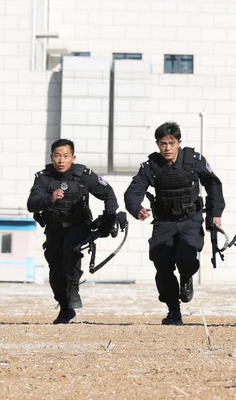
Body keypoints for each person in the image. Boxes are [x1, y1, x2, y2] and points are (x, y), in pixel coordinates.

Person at [124, 122, 225, 325]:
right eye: (163, 144)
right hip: (164, 220)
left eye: (171, 143)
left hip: (190, 218)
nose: (167, 148)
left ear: (179, 142)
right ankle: (173, 311)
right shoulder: (151, 166)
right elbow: (132, 192)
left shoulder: (193, 160)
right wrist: (137, 209)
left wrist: (215, 213)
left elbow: (213, 183)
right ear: (157, 144)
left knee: (186, 258)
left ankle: (186, 276)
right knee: (162, 266)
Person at [27, 139, 119, 324]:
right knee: (55, 274)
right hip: (54, 229)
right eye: (57, 156)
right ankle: (65, 308)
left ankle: (74, 287)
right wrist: (49, 198)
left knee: (71, 249)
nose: (61, 160)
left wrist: (109, 220)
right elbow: (31, 204)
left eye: (66, 156)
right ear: (51, 157)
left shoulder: (84, 175)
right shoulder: (43, 177)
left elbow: (108, 194)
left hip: (78, 226)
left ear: (73, 158)